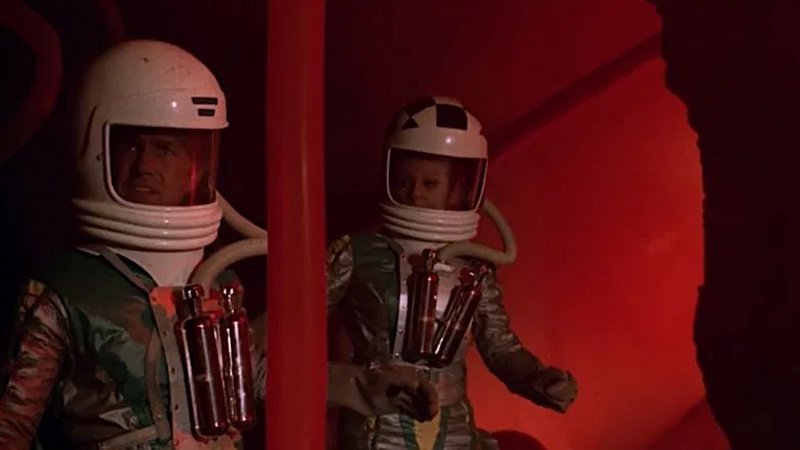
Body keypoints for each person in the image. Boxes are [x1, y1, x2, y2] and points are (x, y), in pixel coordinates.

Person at [327, 96, 578, 449]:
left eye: (430, 183)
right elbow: (293, 333)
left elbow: (500, 347)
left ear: (457, 188)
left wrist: (539, 379)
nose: (415, 193)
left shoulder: (474, 268)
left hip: (452, 426)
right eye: (405, 180)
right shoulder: (357, 253)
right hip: (376, 423)